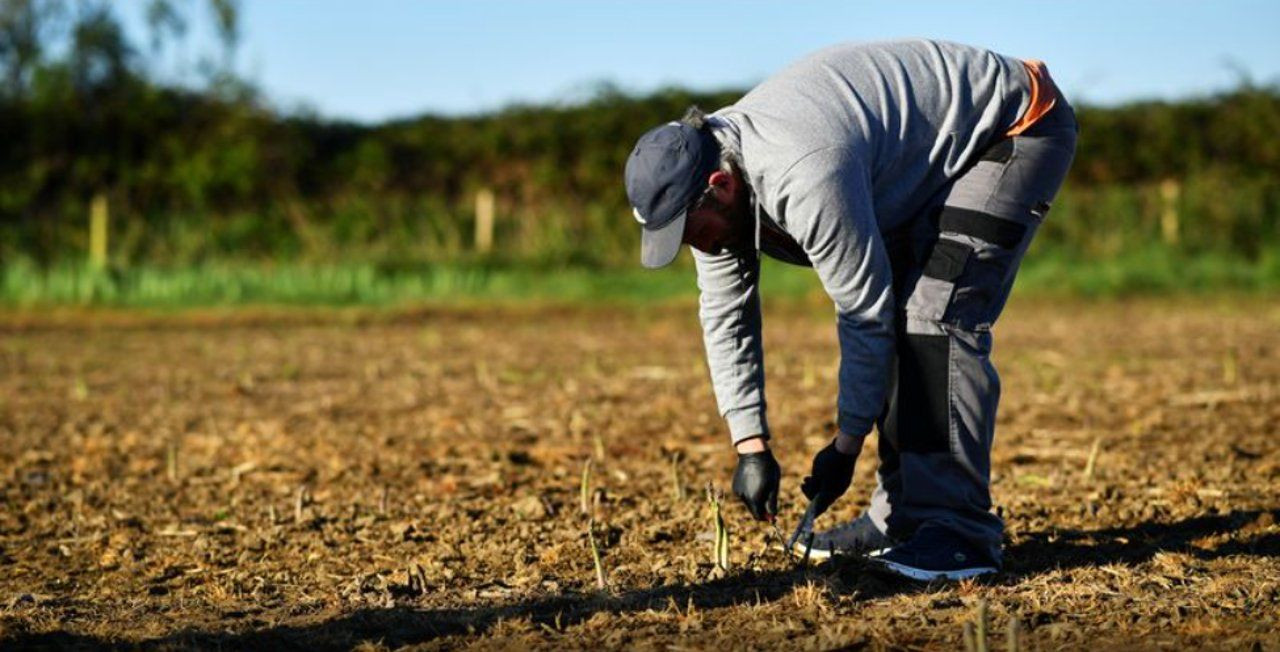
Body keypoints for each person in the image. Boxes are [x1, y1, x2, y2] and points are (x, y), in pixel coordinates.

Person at [622, 39, 1077, 581]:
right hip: (915, 161)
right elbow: (726, 314)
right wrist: (750, 445)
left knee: (934, 317)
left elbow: (865, 311)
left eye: (692, 232)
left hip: (1011, 125)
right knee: (910, 318)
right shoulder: (712, 173)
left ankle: (959, 533)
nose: (697, 246)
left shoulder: (802, 171)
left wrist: (845, 445)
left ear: (720, 186)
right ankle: (900, 520)